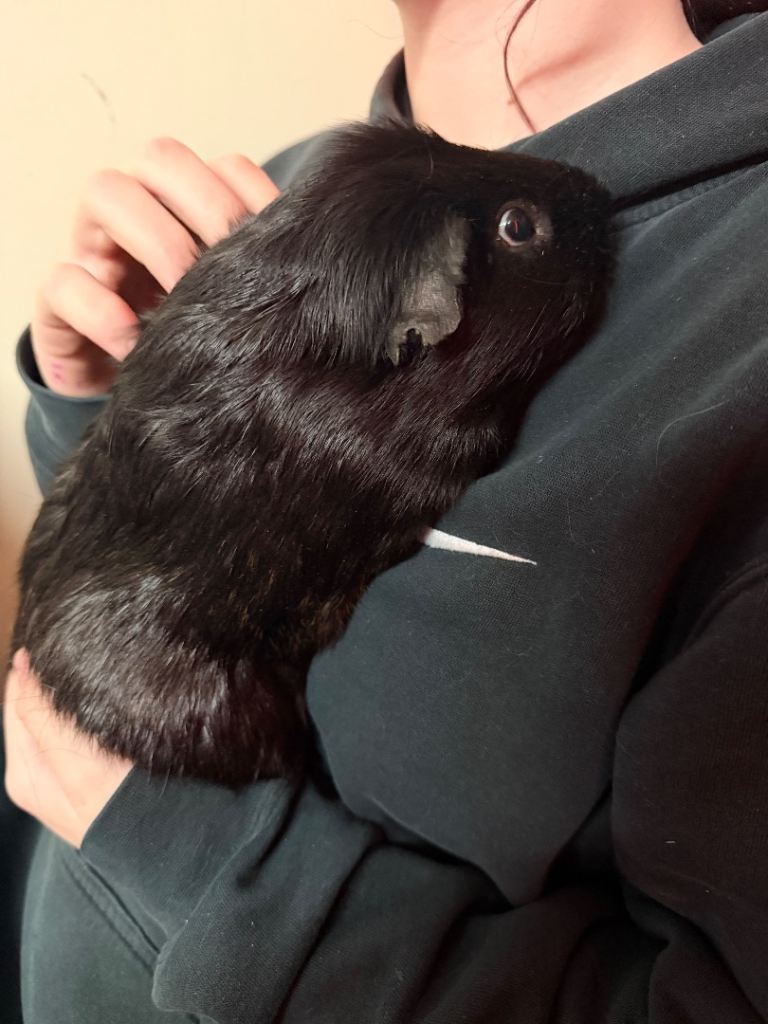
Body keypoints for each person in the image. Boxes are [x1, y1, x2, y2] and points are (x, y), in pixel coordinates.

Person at [4, 0, 768, 1020]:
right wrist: (100, 399)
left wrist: (195, 851)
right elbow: (188, 585)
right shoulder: (290, 184)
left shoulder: (740, 334)